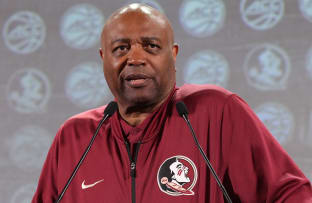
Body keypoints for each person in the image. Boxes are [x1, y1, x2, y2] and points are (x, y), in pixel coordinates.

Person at [32, 3, 312, 203]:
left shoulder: (216, 112)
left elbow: (291, 195)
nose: (136, 58)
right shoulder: (75, 137)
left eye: (151, 46)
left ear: (173, 54)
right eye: (121, 48)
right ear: (103, 57)